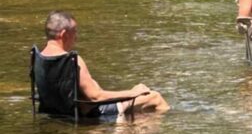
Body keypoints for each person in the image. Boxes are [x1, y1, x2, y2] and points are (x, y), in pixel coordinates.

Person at [38, 11, 169, 117]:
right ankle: (163, 131)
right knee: (155, 97)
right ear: (64, 34)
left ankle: (137, 128)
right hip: (93, 113)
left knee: (140, 89)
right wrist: (132, 93)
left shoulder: (39, 57)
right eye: (74, 32)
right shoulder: (72, 60)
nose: (76, 37)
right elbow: (96, 97)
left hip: (59, 111)